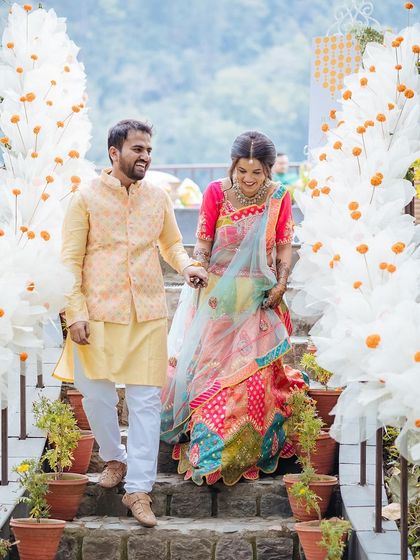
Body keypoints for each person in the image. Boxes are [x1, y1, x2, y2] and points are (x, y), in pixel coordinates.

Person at [54, 119, 207, 525]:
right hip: (96, 315)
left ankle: (138, 490)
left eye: (149, 150)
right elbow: (69, 261)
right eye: (137, 149)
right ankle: (114, 459)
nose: (145, 156)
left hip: (147, 313)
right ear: (114, 153)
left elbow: (172, 244)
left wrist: (189, 265)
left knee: (145, 403)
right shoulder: (84, 198)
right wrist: (75, 313)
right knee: (97, 395)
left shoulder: (157, 197)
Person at [161, 131, 306, 485]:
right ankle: (209, 448)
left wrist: (281, 284)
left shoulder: (279, 197)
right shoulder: (215, 193)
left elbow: (284, 247)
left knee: (253, 381)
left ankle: (249, 447)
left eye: (257, 172)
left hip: (259, 301)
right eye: (242, 171)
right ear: (233, 166)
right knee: (210, 378)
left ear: (269, 170)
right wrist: (197, 272)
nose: (249, 179)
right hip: (217, 304)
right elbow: (203, 245)